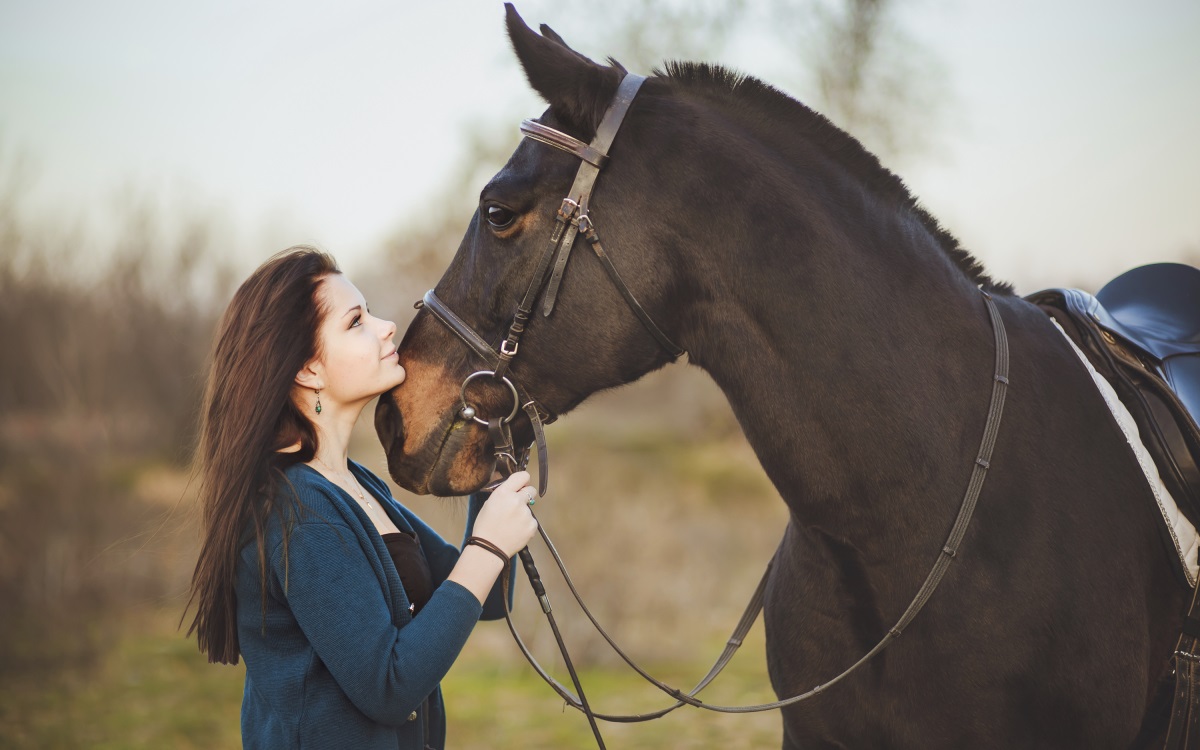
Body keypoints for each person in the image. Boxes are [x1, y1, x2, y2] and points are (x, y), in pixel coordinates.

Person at [185, 246, 538, 749]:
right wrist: (486, 548)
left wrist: (491, 469)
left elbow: (486, 597)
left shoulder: (351, 483)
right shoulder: (300, 514)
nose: (388, 326)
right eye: (356, 322)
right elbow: (390, 687)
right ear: (308, 370)